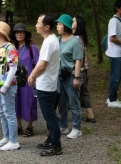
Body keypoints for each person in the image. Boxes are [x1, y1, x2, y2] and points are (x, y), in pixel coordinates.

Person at [27, 14, 62, 156]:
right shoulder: (51, 40)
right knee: (49, 115)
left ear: (46, 27)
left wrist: (32, 75)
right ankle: (50, 139)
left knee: (50, 116)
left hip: (46, 85)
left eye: (38, 22)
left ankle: (56, 145)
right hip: (48, 83)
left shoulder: (49, 42)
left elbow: (42, 65)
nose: (36, 25)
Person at [0, 21, 20, 151]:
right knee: (1, 112)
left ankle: (14, 140)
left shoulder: (10, 48)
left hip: (7, 85)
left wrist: (6, 85)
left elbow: (13, 68)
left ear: (1, 33)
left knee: (9, 111)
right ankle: (6, 137)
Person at [56, 14, 83, 139]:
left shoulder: (75, 41)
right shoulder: (58, 40)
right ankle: (63, 126)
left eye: (60, 24)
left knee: (74, 102)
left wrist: (77, 77)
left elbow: (78, 60)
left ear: (66, 26)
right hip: (60, 75)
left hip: (71, 75)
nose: (57, 26)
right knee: (62, 103)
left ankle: (77, 128)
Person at [10, 23, 39, 137]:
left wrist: (34, 77)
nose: (19, 34)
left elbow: (37, 63)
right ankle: (18, 126)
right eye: (17, 32)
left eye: (22, 32)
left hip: (28, 80)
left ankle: (29, 126)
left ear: (26, 34)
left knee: (29, 101)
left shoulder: (32, 48)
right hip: (15, 79)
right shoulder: (12, 47)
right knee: (16, 101)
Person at [73, 15, 96, 123]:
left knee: (76, 93)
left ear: (78, 25)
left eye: (73, 21)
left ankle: (74, 118)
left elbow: (77, 57)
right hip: (84, 69)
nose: (70, 23)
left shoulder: (76, 38)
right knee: (85, 92)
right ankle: (90, 115)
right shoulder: (81, 37)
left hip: (79, 69)